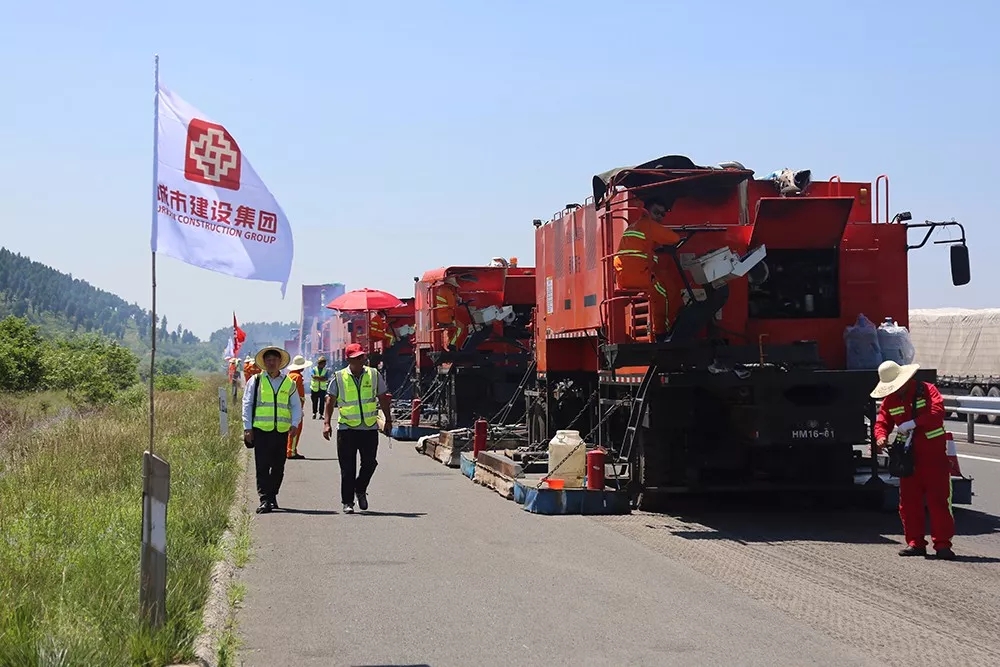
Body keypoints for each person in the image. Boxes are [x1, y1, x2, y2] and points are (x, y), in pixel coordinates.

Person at [872, 360, 955, 560]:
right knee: (909, 503)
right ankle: (915, 543)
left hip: (933, 459)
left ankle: (942, 545)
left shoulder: (927, 390)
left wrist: (913, 423)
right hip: (907, 460)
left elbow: (937, 413)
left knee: (938, 502)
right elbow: (882, 422)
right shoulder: (891, 400)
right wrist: (880, 437)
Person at [322, 342, 392, 513]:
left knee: (370, 463)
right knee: (347, 467)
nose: (361, 361)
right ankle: (348, 502)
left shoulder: (374, 374)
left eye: (362, 357)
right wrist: (326, 423)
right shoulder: (339, 377)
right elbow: (330, 400)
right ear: (349, 360)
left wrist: (388, 420)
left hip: (369, 428)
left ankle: (360, 489)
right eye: (356, 358)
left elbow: (383, 397)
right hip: (347, 428)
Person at [243, 347, 302, 514]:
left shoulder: (288, 383)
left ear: (279, 362)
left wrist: (295, 423)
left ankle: (272, 494)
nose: (271, 363)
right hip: (261, 430)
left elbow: (296, 405)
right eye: (268, 360)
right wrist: (247, 428)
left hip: (281, 431)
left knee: (278, 467)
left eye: (274, 360)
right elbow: (247, 404)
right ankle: (264, 499)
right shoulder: (256, 381)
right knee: (262, 466)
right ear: (264, 362)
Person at [613, 199, 682, 340]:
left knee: (661, 285)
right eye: (656, 212)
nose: (659, 217)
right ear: (647, 212)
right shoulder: (649, 225)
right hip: (639, 276)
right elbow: (674, 238)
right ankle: (663, 333)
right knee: (666, 293)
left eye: (662, 214)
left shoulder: (633, 226)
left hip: (624, 276)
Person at [285, 355, 311, 460]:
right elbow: (298, 395)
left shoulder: (290, 375)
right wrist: (299, 409)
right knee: (296, 430)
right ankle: (291, 451)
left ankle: (289, 449)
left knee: (290, 429)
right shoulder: (298, 377)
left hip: (288, 406)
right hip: (295, 407)